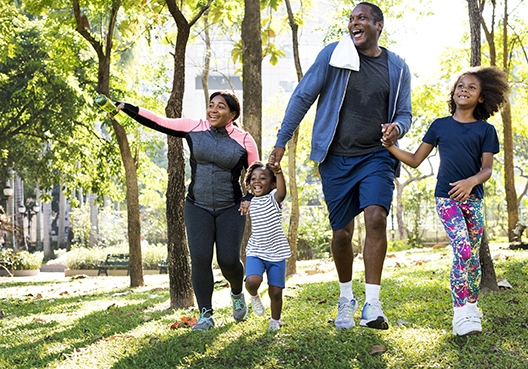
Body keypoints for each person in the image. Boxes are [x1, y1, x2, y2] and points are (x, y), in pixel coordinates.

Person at [269, 2, 412, 330]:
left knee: (376, 218)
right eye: (350, 19)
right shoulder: (334, 55)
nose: (353, 24)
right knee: (342, 234)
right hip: (335, 159)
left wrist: (397, 129)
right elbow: (302, 97)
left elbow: (404, 112)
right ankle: (346, 296)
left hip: (376, 155)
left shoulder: (398, 67)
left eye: (361, 18)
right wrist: (281, 141)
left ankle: (373, 305)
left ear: (378, 25)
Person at [115, 91, 259, 331]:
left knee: (228, 261)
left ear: (232, 114)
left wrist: (248, 197)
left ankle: (236, 293)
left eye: (220, 107)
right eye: (211, 105)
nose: (213, 110)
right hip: (197, 206)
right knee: (201, 259)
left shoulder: (244, 140)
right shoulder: (195, 127)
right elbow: (160, 122)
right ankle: (206, 315)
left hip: (230, 209)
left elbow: (256, 174)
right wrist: (129, 108)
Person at [381, 66, 509, 336]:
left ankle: (472, 307)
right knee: (462, 249)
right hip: (446, 197)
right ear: (454, 92)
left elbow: (487, 169)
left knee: (472, 259)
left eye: (472, 87)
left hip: (472, 198)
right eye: (461, 85)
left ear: (482, 98)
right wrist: (391, 146)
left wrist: (471, 182)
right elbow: (415, 160)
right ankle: (460, 313)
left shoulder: (486, 131)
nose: (464, 89)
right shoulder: (440, 125)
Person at [243, 160, 291, 331]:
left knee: (276, 292)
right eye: (254, 178)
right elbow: (245, 198)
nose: (257, 181)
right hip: (256, 250)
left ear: (272, 184)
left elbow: (282, 191)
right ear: (249, 184)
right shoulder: (250, 201)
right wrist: (245, 199)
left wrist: (278, 172)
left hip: (277, 252)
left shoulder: (274, 198)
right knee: (252, 281)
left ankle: (275, 320)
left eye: (263, 178)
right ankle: (254, 296)